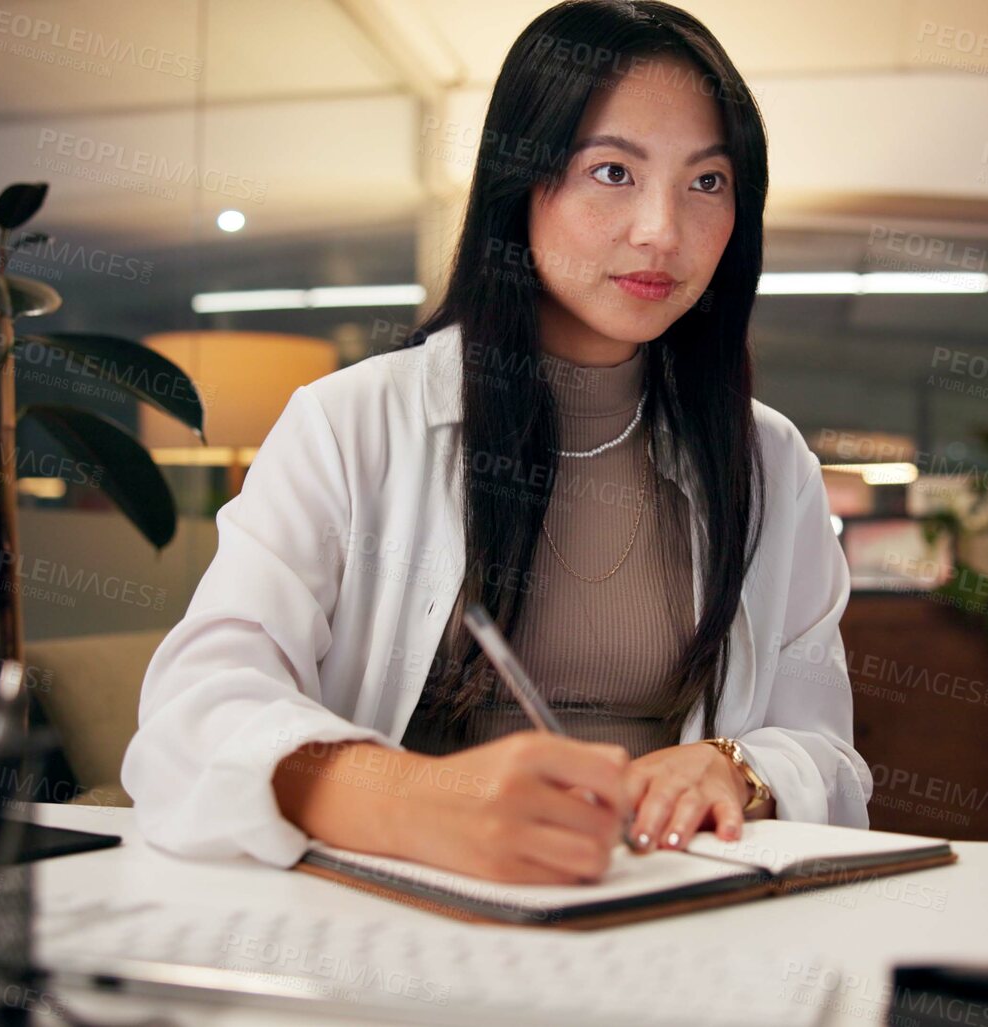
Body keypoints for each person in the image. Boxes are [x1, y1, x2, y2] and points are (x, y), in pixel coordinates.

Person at [122, 0, 871, 885]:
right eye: (611, 171)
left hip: (666, 898)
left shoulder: (766, 461)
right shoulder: (351, 423)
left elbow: (830, 752)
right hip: (404, 905)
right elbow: (192, 713)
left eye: (706, 182)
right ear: (522, 180)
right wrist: (413, 800)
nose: (662, 231)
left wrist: (740, 770)